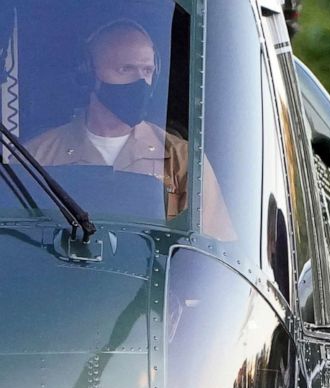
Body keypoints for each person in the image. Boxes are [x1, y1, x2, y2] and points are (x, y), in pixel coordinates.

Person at [27, 18, 233, 239]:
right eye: (125, 69)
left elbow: (210, 248)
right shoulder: (36, 157)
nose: (141, 81)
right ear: (88, 74)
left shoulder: (182, 161)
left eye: (147, 70)